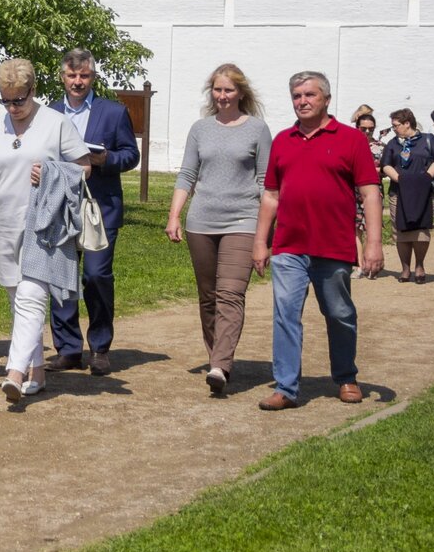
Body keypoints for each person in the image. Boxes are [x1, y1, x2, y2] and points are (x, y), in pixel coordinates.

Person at [253, 71, 382, 411]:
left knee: (339, 314)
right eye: (297, 96)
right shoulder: (283, 140)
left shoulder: (351, 139)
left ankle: (346, 376)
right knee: (285, 315)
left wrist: (373, 243)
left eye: (309, 95)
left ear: (326, 99)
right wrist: (260, 242)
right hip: (289, 247)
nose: (302, 101)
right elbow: (271, 196)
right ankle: (286, 387)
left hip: (333, 246)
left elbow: (370, 193)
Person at [0, 59, 90, 402]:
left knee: (31, 298)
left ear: (33, 90)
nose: (12, 107)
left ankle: (15, 373)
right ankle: (38, 372)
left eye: (18, 99)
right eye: (5, 100)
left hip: (45, 225)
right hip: (6, 224)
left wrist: (52, 172)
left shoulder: (55, 123)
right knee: (18, 300)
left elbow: (84, 167)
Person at [165, 64, 271, 395]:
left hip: (243, 220)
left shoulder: (257, 129)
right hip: (202, 222)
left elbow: (265, 181)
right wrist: (174, 216)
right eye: (217, 89)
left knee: (230, 294)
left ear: (241, 93)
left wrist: (266, 231)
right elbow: (187, 174)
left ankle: (220, 365)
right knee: (208, 297)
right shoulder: (200, 129)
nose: (222, 96)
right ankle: (218, 357)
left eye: (228, 90)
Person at [45, 49, 140, 377]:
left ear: (93, 77)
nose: (77, 81)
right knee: (61, 279)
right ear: (62, 77)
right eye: (72, 75)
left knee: (96, 276)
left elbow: (131, 155)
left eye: (84, 76)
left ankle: (100, 348)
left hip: (99, 207)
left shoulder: (113, 112)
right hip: (59, 206)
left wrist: (104, 159)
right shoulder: (49, 113)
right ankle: (68, 349)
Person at [380, 109, 434, 284]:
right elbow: (385, 164)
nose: (393, 129)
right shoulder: (393, 143)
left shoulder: (428, 140)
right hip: (398, 192)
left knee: (420, 230)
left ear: (407, 123)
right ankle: (405, 268)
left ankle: (419, 266)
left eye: (396, 125)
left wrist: (426, 177)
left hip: (423, 192)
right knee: (400, 230)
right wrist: (400, 179)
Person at [352, 112, 387, 276]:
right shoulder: (351, 144)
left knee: (372, 227)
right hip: (353, 190)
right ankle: (359, 264)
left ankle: (371, 262)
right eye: (363, 128)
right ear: (357, 127)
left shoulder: (381, 147)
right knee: (355, 228)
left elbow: (387, 168)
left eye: (370, 129)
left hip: (374, 191)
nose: (367, 132)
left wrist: (371, 170)